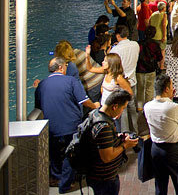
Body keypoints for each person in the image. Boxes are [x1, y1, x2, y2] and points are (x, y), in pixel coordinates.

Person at [35, 57, 99, 193]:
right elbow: (83, 101)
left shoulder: (42, 84)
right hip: (71, 125)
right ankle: (65, 184)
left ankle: (56, 178)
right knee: (71, 154)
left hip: (51, 127)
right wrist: (95, 105)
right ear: (61, 67)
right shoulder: (71, 81)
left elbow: (39, 107)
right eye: (65, 65)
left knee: (54, 154)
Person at [85, 89, 138, 195]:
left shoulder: (95, 113)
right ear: (115, 107)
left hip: (99, 175)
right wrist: (125, 145)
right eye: (122, 108)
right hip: (104, 178)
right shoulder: (104, 126)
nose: (122, 111)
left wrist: (118, 136)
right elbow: (107, 157)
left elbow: (100, 141)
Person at [144, 74, 178, 195]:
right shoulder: (174, 107)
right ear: (166, 89)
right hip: (172, 150)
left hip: (155, 149)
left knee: (160, 185)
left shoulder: (147, 106)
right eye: (171, 86)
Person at [110, 24, 140, 134]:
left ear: (117, 36)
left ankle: (125, 134)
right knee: (132, 107)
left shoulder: (115, 50)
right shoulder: (135, 45)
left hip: (121, 83)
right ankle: (135, 131)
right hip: (132, 81)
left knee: (122, 109)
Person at [136, 25, 163, 113]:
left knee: (140, 88)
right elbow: (159, 57)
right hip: (151, 69)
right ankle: (148, 106)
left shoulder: (139, 44)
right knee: (149, 88)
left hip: (140, 69)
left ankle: (139, 106)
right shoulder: (155, 44)